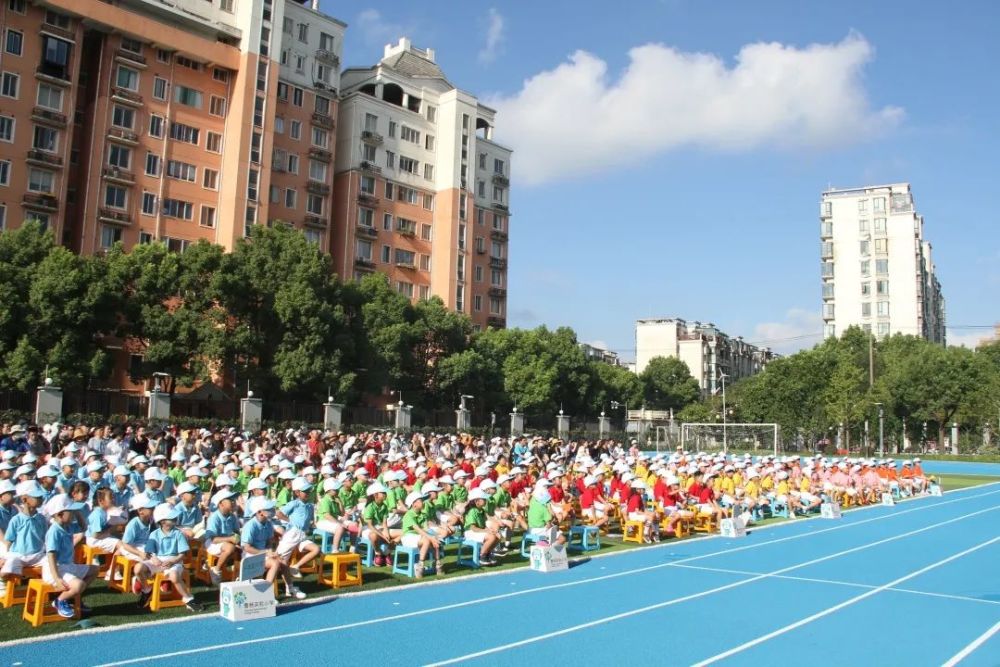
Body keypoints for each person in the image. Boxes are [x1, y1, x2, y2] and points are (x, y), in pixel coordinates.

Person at [43, 494, 98, 618]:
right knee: (79, 585)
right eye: (70, 511)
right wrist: (57, 578)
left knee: (95, 570)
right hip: (56, 569)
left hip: (68, 566)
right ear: (60, 514)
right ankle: (60, 600)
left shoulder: (67, 526)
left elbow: (84, 527)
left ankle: (74, 597)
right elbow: (51, 555)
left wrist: (77, 511)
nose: (73, 514)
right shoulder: (54, 531)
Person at [240, 496, 305, 599]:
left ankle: (290, 589)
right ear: (260, 512)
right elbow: (246, 548)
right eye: (269, 509)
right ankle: (266, 594)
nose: (273, 510)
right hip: (250, 556)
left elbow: (269, 543)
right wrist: (266, 553)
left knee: (282, 561)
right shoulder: (250, 526)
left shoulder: (268, 524)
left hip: (263, 555)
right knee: (275, 563)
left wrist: (271, 552)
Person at [145, 503, 203, 612]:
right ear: (162, 521)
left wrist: (173, 561)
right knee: (139, 568)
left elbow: (182, 554)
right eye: (172, 517)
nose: (175, 518)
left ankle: (189, 599)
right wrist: (153, 558)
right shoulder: (154, 534)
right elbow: (149, 552)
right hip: (158, 562)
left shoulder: (178, 533)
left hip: (175, 562)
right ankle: (146, 591)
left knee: (174, 576)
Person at [1, 481, 49, 584]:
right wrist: (5, 556)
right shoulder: (16, 519)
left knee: (52, 563)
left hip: (37, 555)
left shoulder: (42, 518)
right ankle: (7, 581)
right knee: (6, 571)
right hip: (18, 555)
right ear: (25, 499)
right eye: (37, 497)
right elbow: (9, 540)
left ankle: (49, 587)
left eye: (41, 497)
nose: (41, 499)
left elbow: (45, 537)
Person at [275, 478, 321, 578]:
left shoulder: (310, 506)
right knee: (279, 559)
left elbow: (309, 520)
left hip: (302, 535)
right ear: (297, 492)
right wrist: (289, 521)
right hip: (292, 534)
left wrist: (311, 525)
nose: (308, 493)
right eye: (305, 491)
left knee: (316, 549)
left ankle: (295, 566)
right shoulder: (294, 503)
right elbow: (279, 513)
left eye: (309, 490)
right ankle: (262, 575)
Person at [203, 489, 241, 585]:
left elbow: (236, 531)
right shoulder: (214, 518)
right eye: (229, 500)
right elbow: (213, 539)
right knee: (229, 547)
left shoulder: (232, 516)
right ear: (221, 504)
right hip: (212, 544)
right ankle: (216, 570)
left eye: (233, 500)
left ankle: (238, 572)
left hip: (227, 542)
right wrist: (230, 539)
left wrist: (238, 539)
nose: (233, 502)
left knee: (245, 547)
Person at [399, 491, 440, 578]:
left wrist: (434, 537)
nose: (423, 502)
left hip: (419, 537)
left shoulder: (423, 514)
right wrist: (431, 538)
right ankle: (420, 565)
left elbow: (426, 529)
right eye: (421, 500)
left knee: (434, 538)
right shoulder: (408, 514)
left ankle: (437, 563)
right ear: (414, 504)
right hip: (408, 538)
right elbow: (418, 529)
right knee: (427, 539)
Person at [463, 489, 499, 565]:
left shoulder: (481, 510)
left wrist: (489, 530)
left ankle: (488, 552)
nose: (485, 500)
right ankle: (482, 556)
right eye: (483, 499)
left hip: (478, 531)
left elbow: (483, 525)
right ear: (477, 501)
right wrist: (487, 531)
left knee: (498, 536)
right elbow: (473, 528)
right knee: (491, 537)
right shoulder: (472, 511)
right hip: (470, 532)